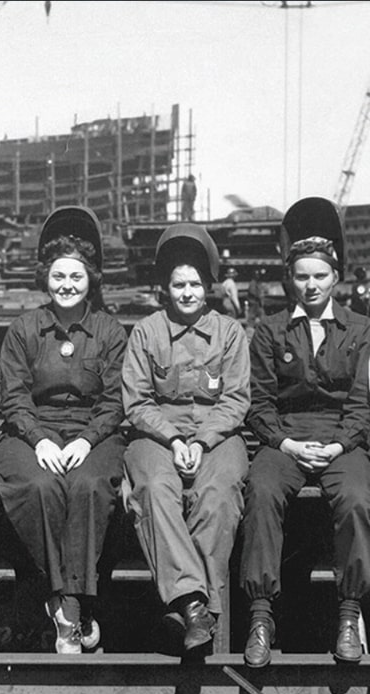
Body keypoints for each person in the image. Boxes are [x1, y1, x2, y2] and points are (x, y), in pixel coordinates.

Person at [239, 196, 370, 667]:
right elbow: (259, 403)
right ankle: (260, 615)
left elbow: (361, 402)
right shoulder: (271, 331)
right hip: (287, 438)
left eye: (319, 276)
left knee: (356, 496)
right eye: (301, 276)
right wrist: (287, 444)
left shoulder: (361, 330)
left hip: (343, 438)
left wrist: (338, 444)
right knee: (260, 490)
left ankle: (349, 612)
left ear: (335, 277)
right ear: (289, 279)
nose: (310, 285)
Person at [0, 206, 127, 654]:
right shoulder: (24, 329)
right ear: (44, 278)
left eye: (76, 277)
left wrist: (88, 439)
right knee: (38, 486)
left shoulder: (109, 331)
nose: (66, 285)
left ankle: (69, 601)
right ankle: (69, 605)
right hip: (32, 432)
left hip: (93, 433)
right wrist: (40, 439)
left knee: (90, 486)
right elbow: (13, 396)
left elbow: (113, 401)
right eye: (57, 276)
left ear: (91, 280)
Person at [122, 223, 250, 655]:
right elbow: (137, 402)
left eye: (195, 284)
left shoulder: (230, 333)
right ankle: (197, 605)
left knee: (219, 492)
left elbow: (235, 400)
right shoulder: (147, 332)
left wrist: (203, 440)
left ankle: (190, 611)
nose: (188, 292)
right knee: (154, 488)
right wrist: (176, 439)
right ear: (166, 287)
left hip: (219, 435)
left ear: (208, 287)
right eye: (179, 284)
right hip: (157, 435)